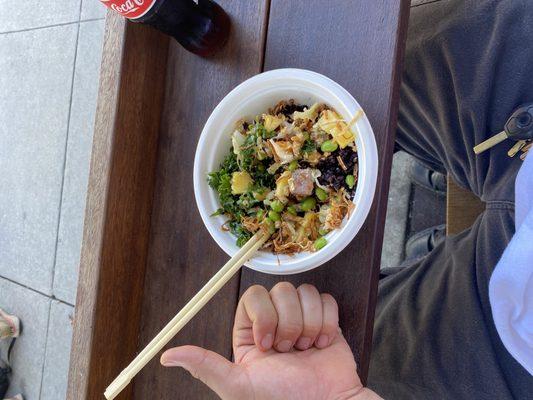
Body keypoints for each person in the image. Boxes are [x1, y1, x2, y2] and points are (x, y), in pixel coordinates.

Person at [161, 0, 533, 398]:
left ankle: (441, 219)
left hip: (518, 344)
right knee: (380, 69)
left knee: (357, 342)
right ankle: (448, 193)